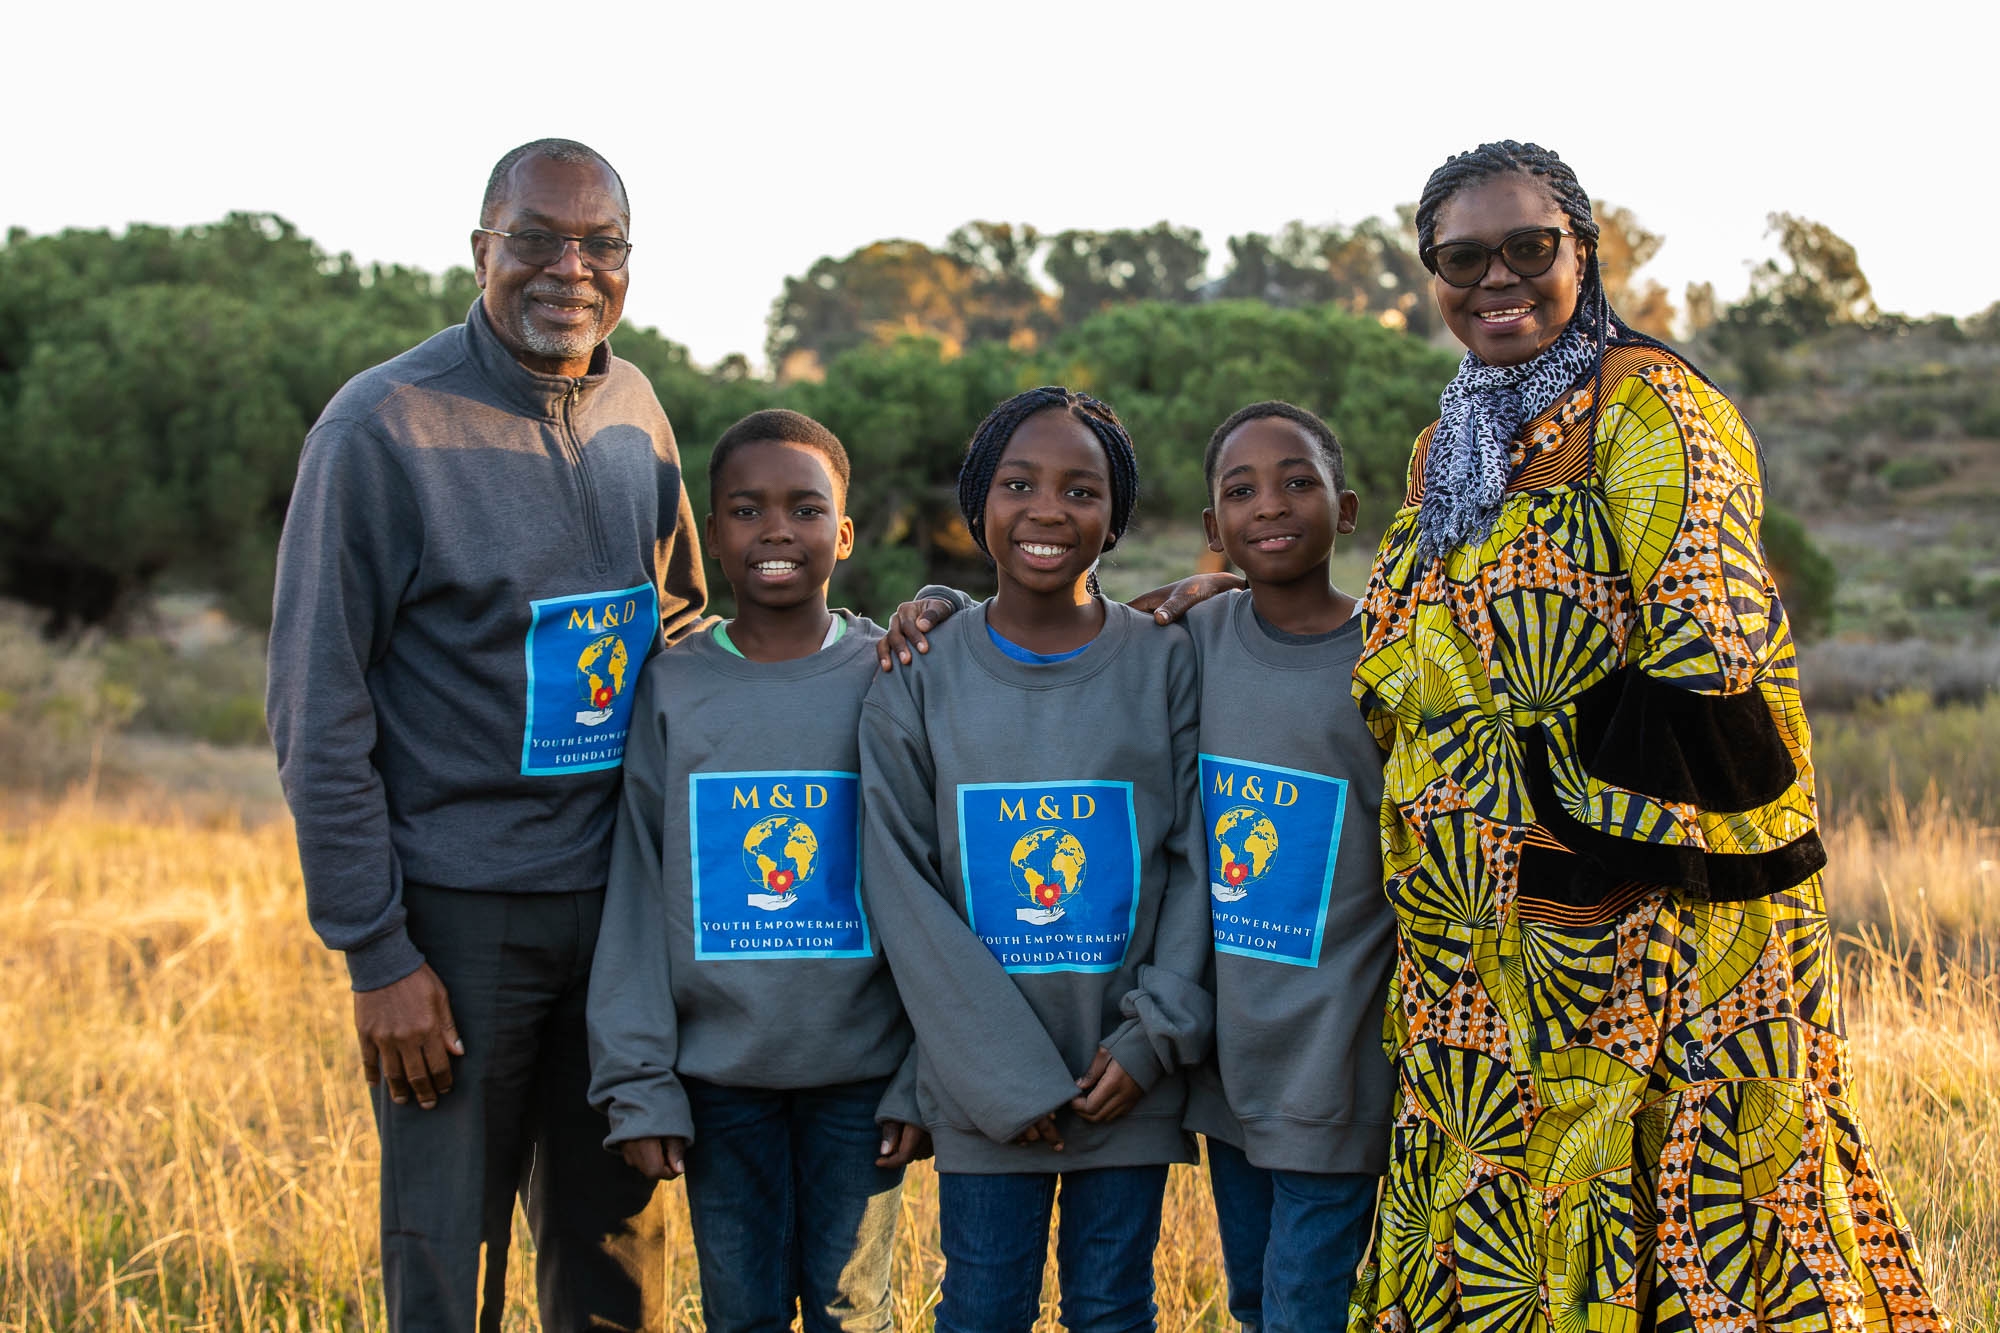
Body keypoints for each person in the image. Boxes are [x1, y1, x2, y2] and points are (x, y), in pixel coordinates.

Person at [1343, 142, 1947, 1328]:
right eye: (1460, 258)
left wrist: (1575, 835)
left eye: (1529, 248)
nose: (1495, 279)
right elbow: (1406, 630)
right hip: (1474, 926)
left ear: (1584, 253)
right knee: (1499, 1184)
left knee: (1666, 1182)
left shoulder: (1645, 406)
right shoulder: (1449, 441)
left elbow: (1708, 655)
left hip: (1631, 907)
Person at [266, 138, 705, 1332]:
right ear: (479, 251)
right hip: (456, 925)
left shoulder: (635, 409)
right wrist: (376, 951)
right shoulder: (378, 429)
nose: (570, 269)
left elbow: (680, 619)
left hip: (619, 911)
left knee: (617, 1247)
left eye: (600, 244)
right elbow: (318, 707)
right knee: (442, 1260)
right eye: (536, 240)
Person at [857, 387, 1212, 1333]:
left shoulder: (1165, 662)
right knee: (980, 1305)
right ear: (979, 505)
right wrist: (997, 1076)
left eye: (1081, 489)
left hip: (1124, 1078)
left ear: (1115, 514)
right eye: (1019, 484)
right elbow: (902, 881)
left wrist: (1151, 1038)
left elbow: (1194, 860)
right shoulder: (919, 671)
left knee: (1113, 1306)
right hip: (981, 1090)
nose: (1048, 510)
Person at [586, 409, 929, 1333]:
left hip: (863, 1076)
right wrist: (639, 1078)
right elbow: (638, 890)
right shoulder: (673, 684)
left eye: (805, 508)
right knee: (740, 1311)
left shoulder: (892, 672)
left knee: (850, 1308)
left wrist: (923, 1071)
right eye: (746, 509)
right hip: (719, 1078)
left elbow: (937, 890)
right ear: (712, 530)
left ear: (844, 533)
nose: (777, 530)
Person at [1178, 402, 1394, 1331]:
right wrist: (935, 604)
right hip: (1233, 1062)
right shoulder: (1192, 640)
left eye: (1298, 481)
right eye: (1242, 490)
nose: (1271, 505)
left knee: (1309, 1302)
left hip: (1338, 1058)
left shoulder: (1389, 657)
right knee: (1256, 1298)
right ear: (1213, 530)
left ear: (1345, 510)